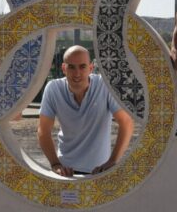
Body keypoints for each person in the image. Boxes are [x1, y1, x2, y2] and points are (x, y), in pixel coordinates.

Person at [38, 45, 134, 176]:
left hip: (99, 170)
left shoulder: (104, 85)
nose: (77, 73)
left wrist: (113, 161)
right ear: (64, 68)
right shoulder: (53, 88)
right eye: (71, 67)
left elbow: (126, 123)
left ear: (91, 68)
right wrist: (55, 164)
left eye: (82, 66)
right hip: (66, 170)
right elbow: (43, 130)